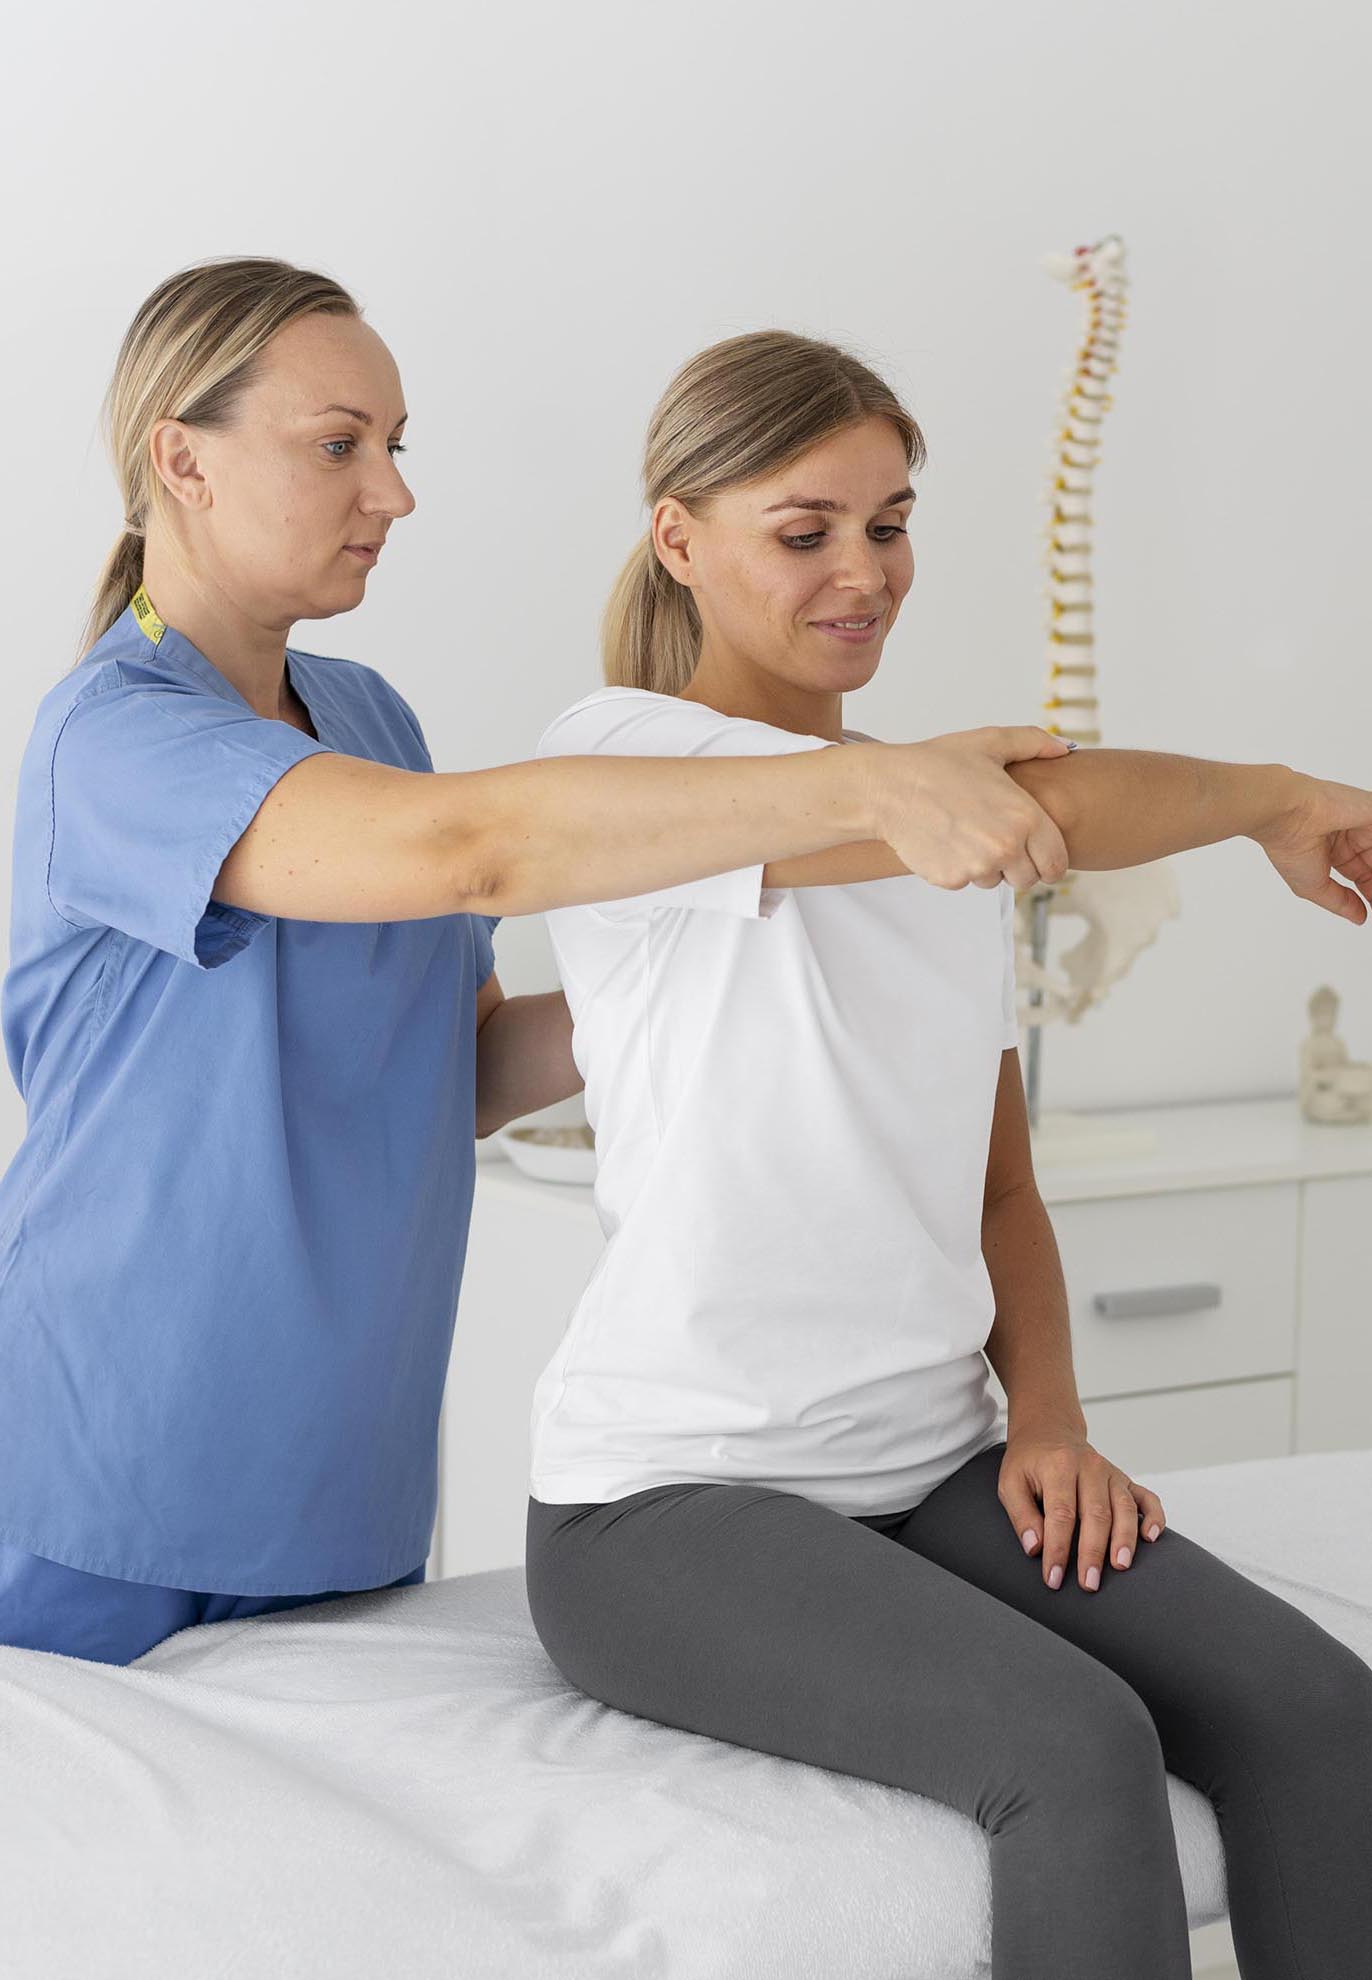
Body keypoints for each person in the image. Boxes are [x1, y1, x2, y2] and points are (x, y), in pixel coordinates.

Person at [0, 255, 1104, 1668]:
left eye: (394, 449)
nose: (392, 492)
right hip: (110, 1470)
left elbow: (452, 1070)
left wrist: (704, 969)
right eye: (340, 447)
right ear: (182, 460)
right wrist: (867, 791)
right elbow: (477, 850)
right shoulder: (114, 738)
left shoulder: (366, 715)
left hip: (343, 1479)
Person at [522, 328, 1372, 1980]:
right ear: (679, 539)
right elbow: (1011, 808)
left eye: (891, 522)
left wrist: (1048, 1423)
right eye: (806, 528)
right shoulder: (629, 770)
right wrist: (1277, 796)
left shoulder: (934, 825)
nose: (864, 572)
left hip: (929, 1469)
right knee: (1072, 1748)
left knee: (1323, 1713)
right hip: (670, 1504)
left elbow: (994, 1190)